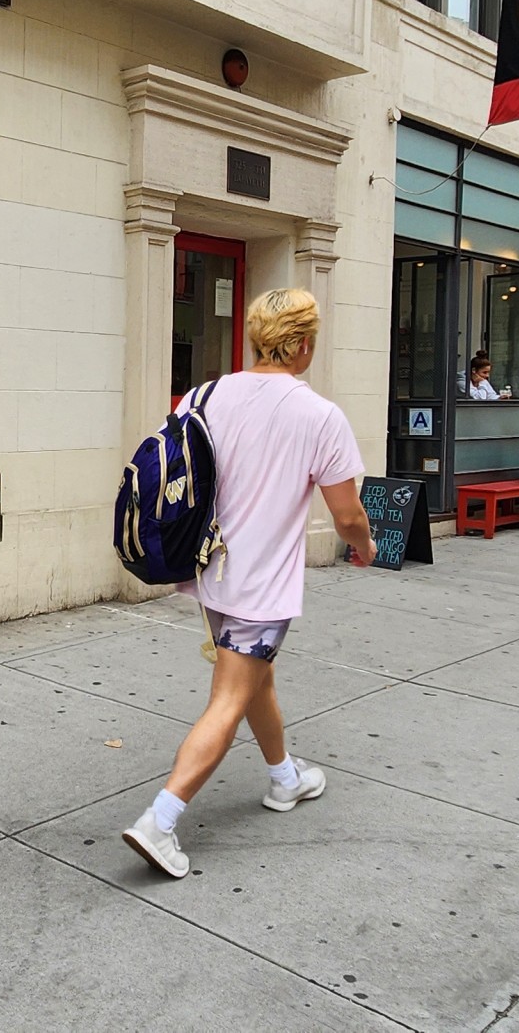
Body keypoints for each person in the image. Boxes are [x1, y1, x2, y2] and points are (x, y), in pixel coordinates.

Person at [122, 287, 374, 880]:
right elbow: (347, 515)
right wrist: (364, 546)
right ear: (304, 344)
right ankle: (160, 820)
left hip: (211, 571)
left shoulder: (207, 394)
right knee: (230, 697)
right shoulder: (320, 416)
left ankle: (285, 776)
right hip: (261, 584)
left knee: (253, 678)